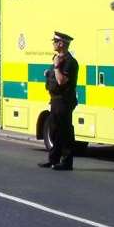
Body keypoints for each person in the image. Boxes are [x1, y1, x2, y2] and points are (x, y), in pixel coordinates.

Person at [40, 31, 79, 171]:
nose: (53, 44)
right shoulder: (57, 59)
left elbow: (62, 81)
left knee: (65, 131)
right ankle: (53, 160)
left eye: (55, 42)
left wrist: (56, 67)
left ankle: (67, 162)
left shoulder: (70, 62)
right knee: (55, 130)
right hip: (55, 100)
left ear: (62, 44)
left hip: (64, 100)